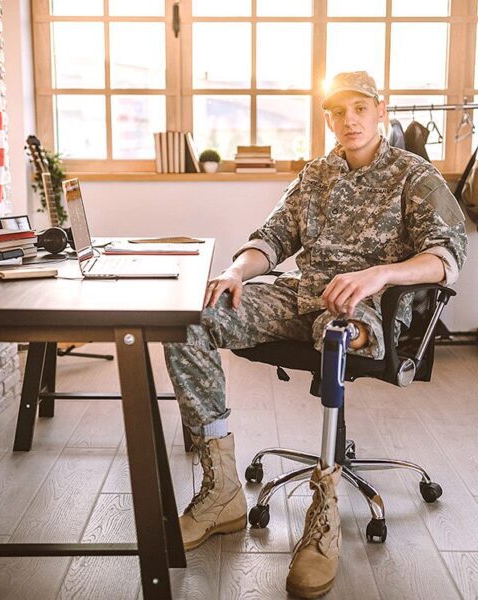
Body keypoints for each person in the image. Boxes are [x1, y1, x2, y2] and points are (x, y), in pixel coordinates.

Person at [163, 70, 467, 599]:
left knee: (335, 335)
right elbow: (272, 238)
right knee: (188, 319)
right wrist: (237, 271)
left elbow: (446, 257)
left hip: (365, 305)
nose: (348, 120)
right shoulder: (316, 174)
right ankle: (221, 493)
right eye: (336, 111)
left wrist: (382, 273)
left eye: (359, 109)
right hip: (302, 295)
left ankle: (323, 517)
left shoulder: (415, 176)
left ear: (379, 110)